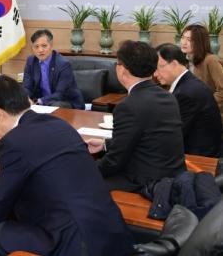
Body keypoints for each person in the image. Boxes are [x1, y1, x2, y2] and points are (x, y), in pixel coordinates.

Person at [0, 75, 133, 256]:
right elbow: (49, 170)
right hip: (110, 234)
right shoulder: (60, 125)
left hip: (71, 243)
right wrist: (8, 174)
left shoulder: (13, 142)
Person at [85, 40, 186, 192]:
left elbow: (113, 162)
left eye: (117, 63)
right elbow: (143, 138)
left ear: (123, 70)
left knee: (79, 184)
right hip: (172, 175)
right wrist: (105, 144)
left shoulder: (128, 106)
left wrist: (82, 169)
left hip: (146, 183)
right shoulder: (167, 97)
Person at [155, 43, 221, 156]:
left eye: (158, 67)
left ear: (174, 64)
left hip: (200, 157)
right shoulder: (188, 83)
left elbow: (173, 134)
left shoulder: (187, 93)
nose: (155, 74)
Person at [22, 29, 84, 109]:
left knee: (56, 105)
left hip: (66, 103)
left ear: (51, 45)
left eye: (44, 46)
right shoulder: (31, 61)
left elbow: (61, 94)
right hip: (41, 103)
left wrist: (38, 101)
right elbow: (27, 87)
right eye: (36, 47)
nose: (40, 50)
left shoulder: (63, 64)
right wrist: (26, 99)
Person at [181, 24, 223, 126]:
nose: (184, 42)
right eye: (183, 37)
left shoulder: (211, 60)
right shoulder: (184, 61)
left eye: (189, 40)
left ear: (199, 42)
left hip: (208, 116)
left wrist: (203, 106)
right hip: (190, 114)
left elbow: (222, 90)